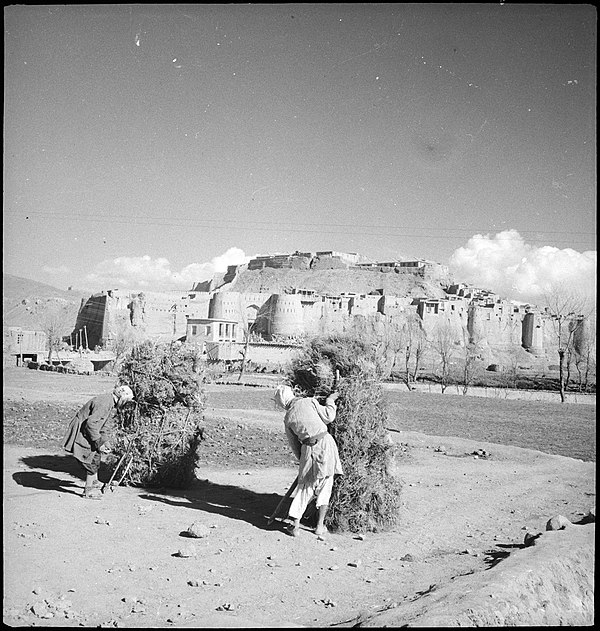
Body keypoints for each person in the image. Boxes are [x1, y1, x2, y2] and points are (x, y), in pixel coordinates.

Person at [274, 384, 343, 537]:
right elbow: (329, 417)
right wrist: (330, 400)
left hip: (307, 450)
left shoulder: (287, 418)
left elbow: (294, 446)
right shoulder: (308, 401)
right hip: (326, 444)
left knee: (305, 487)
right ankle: (319, 527)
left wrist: (303, 461)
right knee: (326, 483)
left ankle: (295, 526)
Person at [63, 384, 134, 499]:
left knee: (96, 456)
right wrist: (98, 442)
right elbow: (91, 424)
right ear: (121, 398)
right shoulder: (105, 403)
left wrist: (105, 442)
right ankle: (88, 492)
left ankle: (94, 482)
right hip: (83, 430)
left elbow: (103, 426)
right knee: (90, 460)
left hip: (89, 429)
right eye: (126, 401)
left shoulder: (110, 402)